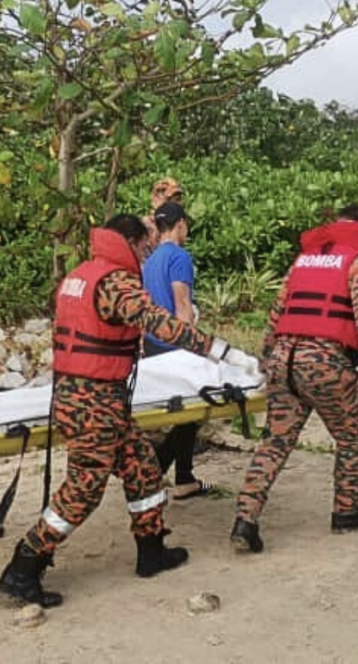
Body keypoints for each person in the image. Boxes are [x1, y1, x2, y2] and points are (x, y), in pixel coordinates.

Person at [0, 215, 260, 607]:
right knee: (84, 491)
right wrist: (225, 352)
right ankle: (25, 564)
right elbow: (161, 324)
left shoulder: (80, 275)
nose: (147, 252)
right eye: (144, 245)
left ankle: (151, 549)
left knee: (143, 467)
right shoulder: (115, 281)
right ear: (132, 243)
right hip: (94, 403)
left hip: (91, 397)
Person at [231, 205, 358, 554]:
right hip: (324, 362)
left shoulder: (303, 260)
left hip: (283, 359)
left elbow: (277, 310)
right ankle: (346, 512)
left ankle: (245, 520)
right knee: (351, 437)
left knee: (274, 441)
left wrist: (265, 356)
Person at [141, 201, 213, 499]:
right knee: (194, 410)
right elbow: (182, 304)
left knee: (186, 412)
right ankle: (160, 466)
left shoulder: (152, 259)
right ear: (180, 223)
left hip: (153, 342)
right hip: (174, 343)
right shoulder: (179, 257)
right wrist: (193, 345)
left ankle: (185, 478)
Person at [142, 177, 184, 255]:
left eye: (178, 199)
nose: (177, 203)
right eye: (170, 199)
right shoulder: (147, 225)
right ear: (157, 197)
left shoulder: (177, 222)